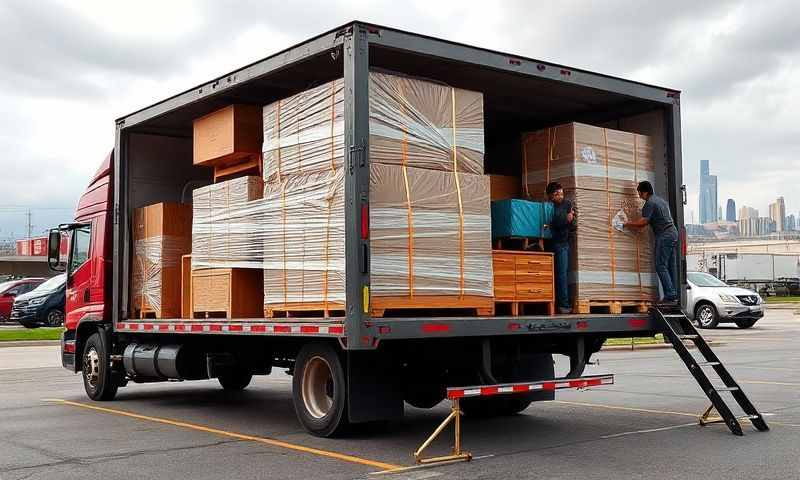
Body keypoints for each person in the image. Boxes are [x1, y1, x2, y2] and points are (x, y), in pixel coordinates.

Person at [624, 181, 679, 304]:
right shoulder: (661, 201)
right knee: (670, 266)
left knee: (660, 265)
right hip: (673, 233)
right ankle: (674, 294)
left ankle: (670, 294)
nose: (638, 195)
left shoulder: (650, 203)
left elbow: (643, 223)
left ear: (645, 192)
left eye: (639, 192)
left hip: (664, 235)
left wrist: (627, 224)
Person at [546, 182, 577, 314]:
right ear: (550, 196)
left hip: (563, 243)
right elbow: (554, 222)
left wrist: (566, 220)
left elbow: (569, 222)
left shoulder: (567, 204)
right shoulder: (548, 206)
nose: (560, 196)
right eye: (556, 194)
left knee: (562, 274)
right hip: (552, 242)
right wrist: (566, 219)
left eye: (561, 193)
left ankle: (563, 304)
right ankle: (560, 304)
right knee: (556, 274)